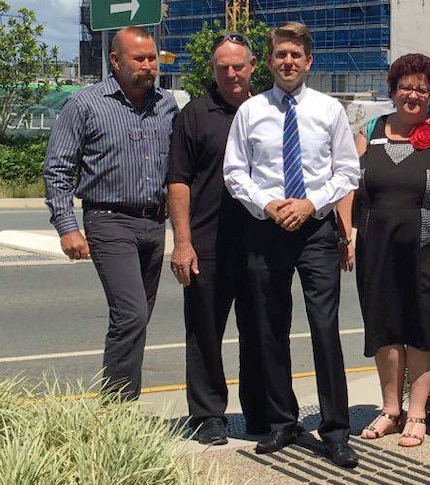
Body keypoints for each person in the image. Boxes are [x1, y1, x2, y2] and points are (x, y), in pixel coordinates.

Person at [223, 21, 360, 468]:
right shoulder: (251, 112)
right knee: (269, 327)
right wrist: (267, 205)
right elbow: (235, 172)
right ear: (269, 60)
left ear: (308, 61)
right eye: (280, 54)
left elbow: (347, 171)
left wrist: (311, 203)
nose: (288, 62)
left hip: (316, 229)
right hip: (266, 228)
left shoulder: (328, 110)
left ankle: (336, 429)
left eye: (295, 55)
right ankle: (283, 422)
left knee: (324, 328)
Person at [335, 53, 430, 448]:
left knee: (422, 328)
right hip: (378, 247)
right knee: (385, 326)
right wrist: (346, 235)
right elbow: (349, 187)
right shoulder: (369, 130)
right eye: (406, 87)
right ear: (392, 91)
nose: (413, 95)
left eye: (422, 89)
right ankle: (390, 409)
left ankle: (417, 413)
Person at [43, 26, 178, 400]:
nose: (149, 65)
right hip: (108, 219)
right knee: (131, 314)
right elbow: (57, 169)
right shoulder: (85, 104)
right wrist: (67, 227)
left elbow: (181, 166)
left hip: (153, 223)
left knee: (137, 320)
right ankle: (117, 410)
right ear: (114, 60)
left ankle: (119, 408)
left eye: (152, 58)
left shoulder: (166, 104)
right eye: (140, 59)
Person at [166, 32, 266, 445]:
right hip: (207, 244)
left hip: (261, 243)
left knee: (262, 331)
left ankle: (263, 415)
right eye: (223, 66)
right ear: (212, 69)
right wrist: (182, 242)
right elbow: (178, 181)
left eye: (238, 65)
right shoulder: (193, 115)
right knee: (204, 333)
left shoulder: (268, 110)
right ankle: (208, 416)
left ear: (252, 66)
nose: (231, 73)